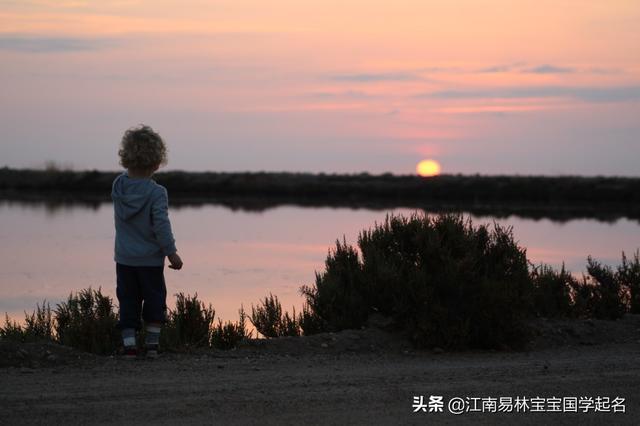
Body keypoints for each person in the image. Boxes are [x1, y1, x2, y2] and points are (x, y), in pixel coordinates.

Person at [111, 124, 183, 359]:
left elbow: (127, 177)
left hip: (124, 258)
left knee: (127, 300)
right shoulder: (156, 193)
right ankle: (152, 346)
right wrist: (171, 252)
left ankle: (129, 345)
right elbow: (161, 226)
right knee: (154, 300)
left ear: (126, 158)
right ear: (156, 163)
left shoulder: (119, 186)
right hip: (150, 261)